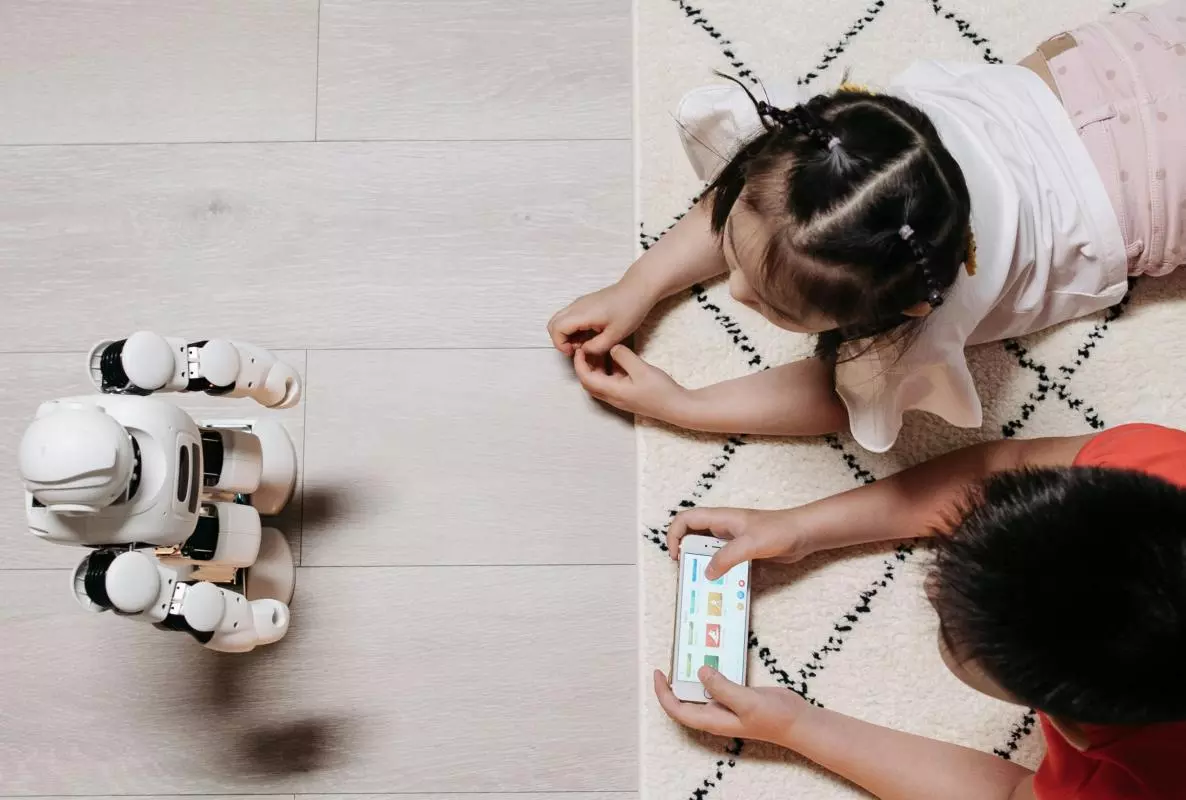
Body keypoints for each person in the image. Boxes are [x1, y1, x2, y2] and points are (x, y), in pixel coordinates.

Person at [548, 4, 1186, 453]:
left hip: (1149, 192)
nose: (736, 291)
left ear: (901, 310)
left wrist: (684, 405)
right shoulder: (851, 153)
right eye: (736, 256)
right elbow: (765, 205)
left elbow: (837, 396)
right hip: (1107, 68)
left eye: (773, 305)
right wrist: (639, 284)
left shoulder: (921, 318)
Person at [654, 423, 1186, 799]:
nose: (933, 587)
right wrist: (803, 527)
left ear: (1074, 730)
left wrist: (798, 726)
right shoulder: (1155, 461)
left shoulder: (1136, 784)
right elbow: (999, 466)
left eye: (950, 629)